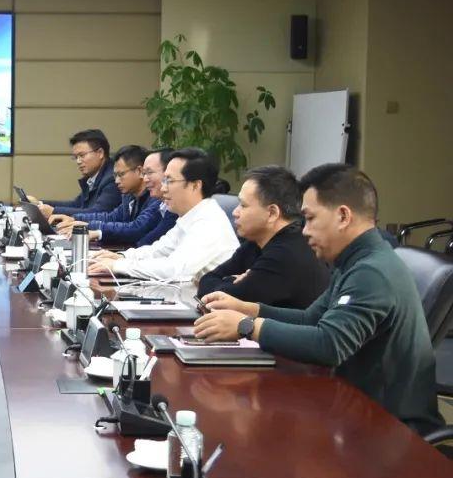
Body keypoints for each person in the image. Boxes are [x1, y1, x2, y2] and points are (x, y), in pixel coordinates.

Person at [196, 163, 442, 435]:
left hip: (391, 429)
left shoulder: (371, 272)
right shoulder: (354, 260)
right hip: (355, 409)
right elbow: (311, 318)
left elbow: (329, 344)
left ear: (343, 216)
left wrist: (247, 326)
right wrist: (248, 309)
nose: (304, 230)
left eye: (311, 218)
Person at [88, 148, 237, 282]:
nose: (163, 188)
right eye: (164, 180)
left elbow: (174, 270)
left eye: (169, 181)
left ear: (195, 185)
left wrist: (118, 265)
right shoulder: (190, 216)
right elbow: (159, 250)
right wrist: (123, 256)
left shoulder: (209, 223)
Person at [197, 166, 329, 308]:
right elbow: (206, 281)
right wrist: (234, 280)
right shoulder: (256, 242)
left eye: (243, 205)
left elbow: (219, 301)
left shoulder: (285, 255)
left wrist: (235, 282)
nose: (235, 212)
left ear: (272, 213)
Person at [49, 145, 163, 245]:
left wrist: (89, 227)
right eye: (115, 175)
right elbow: (111, 217)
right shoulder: (129, 196)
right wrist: (75, 219)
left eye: (121, 174)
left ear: (139, 171)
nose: (117, 181)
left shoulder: (156, 197)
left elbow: (136, 228)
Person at [27, 129, 121, 217]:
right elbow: (76, 204)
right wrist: (39, 203)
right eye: (76, 157)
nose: (78, 161)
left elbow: (98, 213)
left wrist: (53, 211)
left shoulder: (113, 179)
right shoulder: (94, 177)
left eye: (82, 155)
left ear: (100, 153)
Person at [134, 148, 177, 247]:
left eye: (149, 172)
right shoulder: (161, 204)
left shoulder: (178, 210)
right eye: (144, 173)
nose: (145, 179)